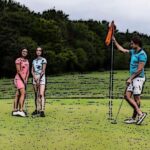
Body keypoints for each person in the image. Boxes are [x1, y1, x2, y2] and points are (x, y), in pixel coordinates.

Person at [113, 36, 147, 125]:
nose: (131, 45)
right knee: (126, 96)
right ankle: (137, 116)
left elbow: (139, 70)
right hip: (132, 78)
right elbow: (122, 50)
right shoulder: (133, 52)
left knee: (136, 98)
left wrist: (130, 78)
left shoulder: (142, 55)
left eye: (132, 43)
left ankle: (139, 115)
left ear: (137, 44)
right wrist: (115, 41)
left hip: (138, 78)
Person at [13, 48, 29, 117]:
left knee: (18, 94)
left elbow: (27, 71)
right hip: (19, 79)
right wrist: (23, 80)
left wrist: (26, 79)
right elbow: (18, 71)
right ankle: (21, 110)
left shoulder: (27, 61)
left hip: (24, 80)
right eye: (23, 51)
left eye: (26, 51)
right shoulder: (18, 60)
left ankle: (15, 109)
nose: (24, 52)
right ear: (21, 52)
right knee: (23, 93)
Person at [31, 47, 47, 117]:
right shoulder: (34, 61)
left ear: (41, 52)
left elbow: (43, 70)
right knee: (36, 94)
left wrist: (39, 79)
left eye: (39, 50)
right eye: (37, 50)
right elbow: (32, 70)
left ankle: (42, 110)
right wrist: (34, 77)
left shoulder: (44, 60)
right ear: (36, 52)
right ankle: (37, 109)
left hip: (41, 78)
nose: (38, 51)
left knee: (41, 94)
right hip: (35, 78)